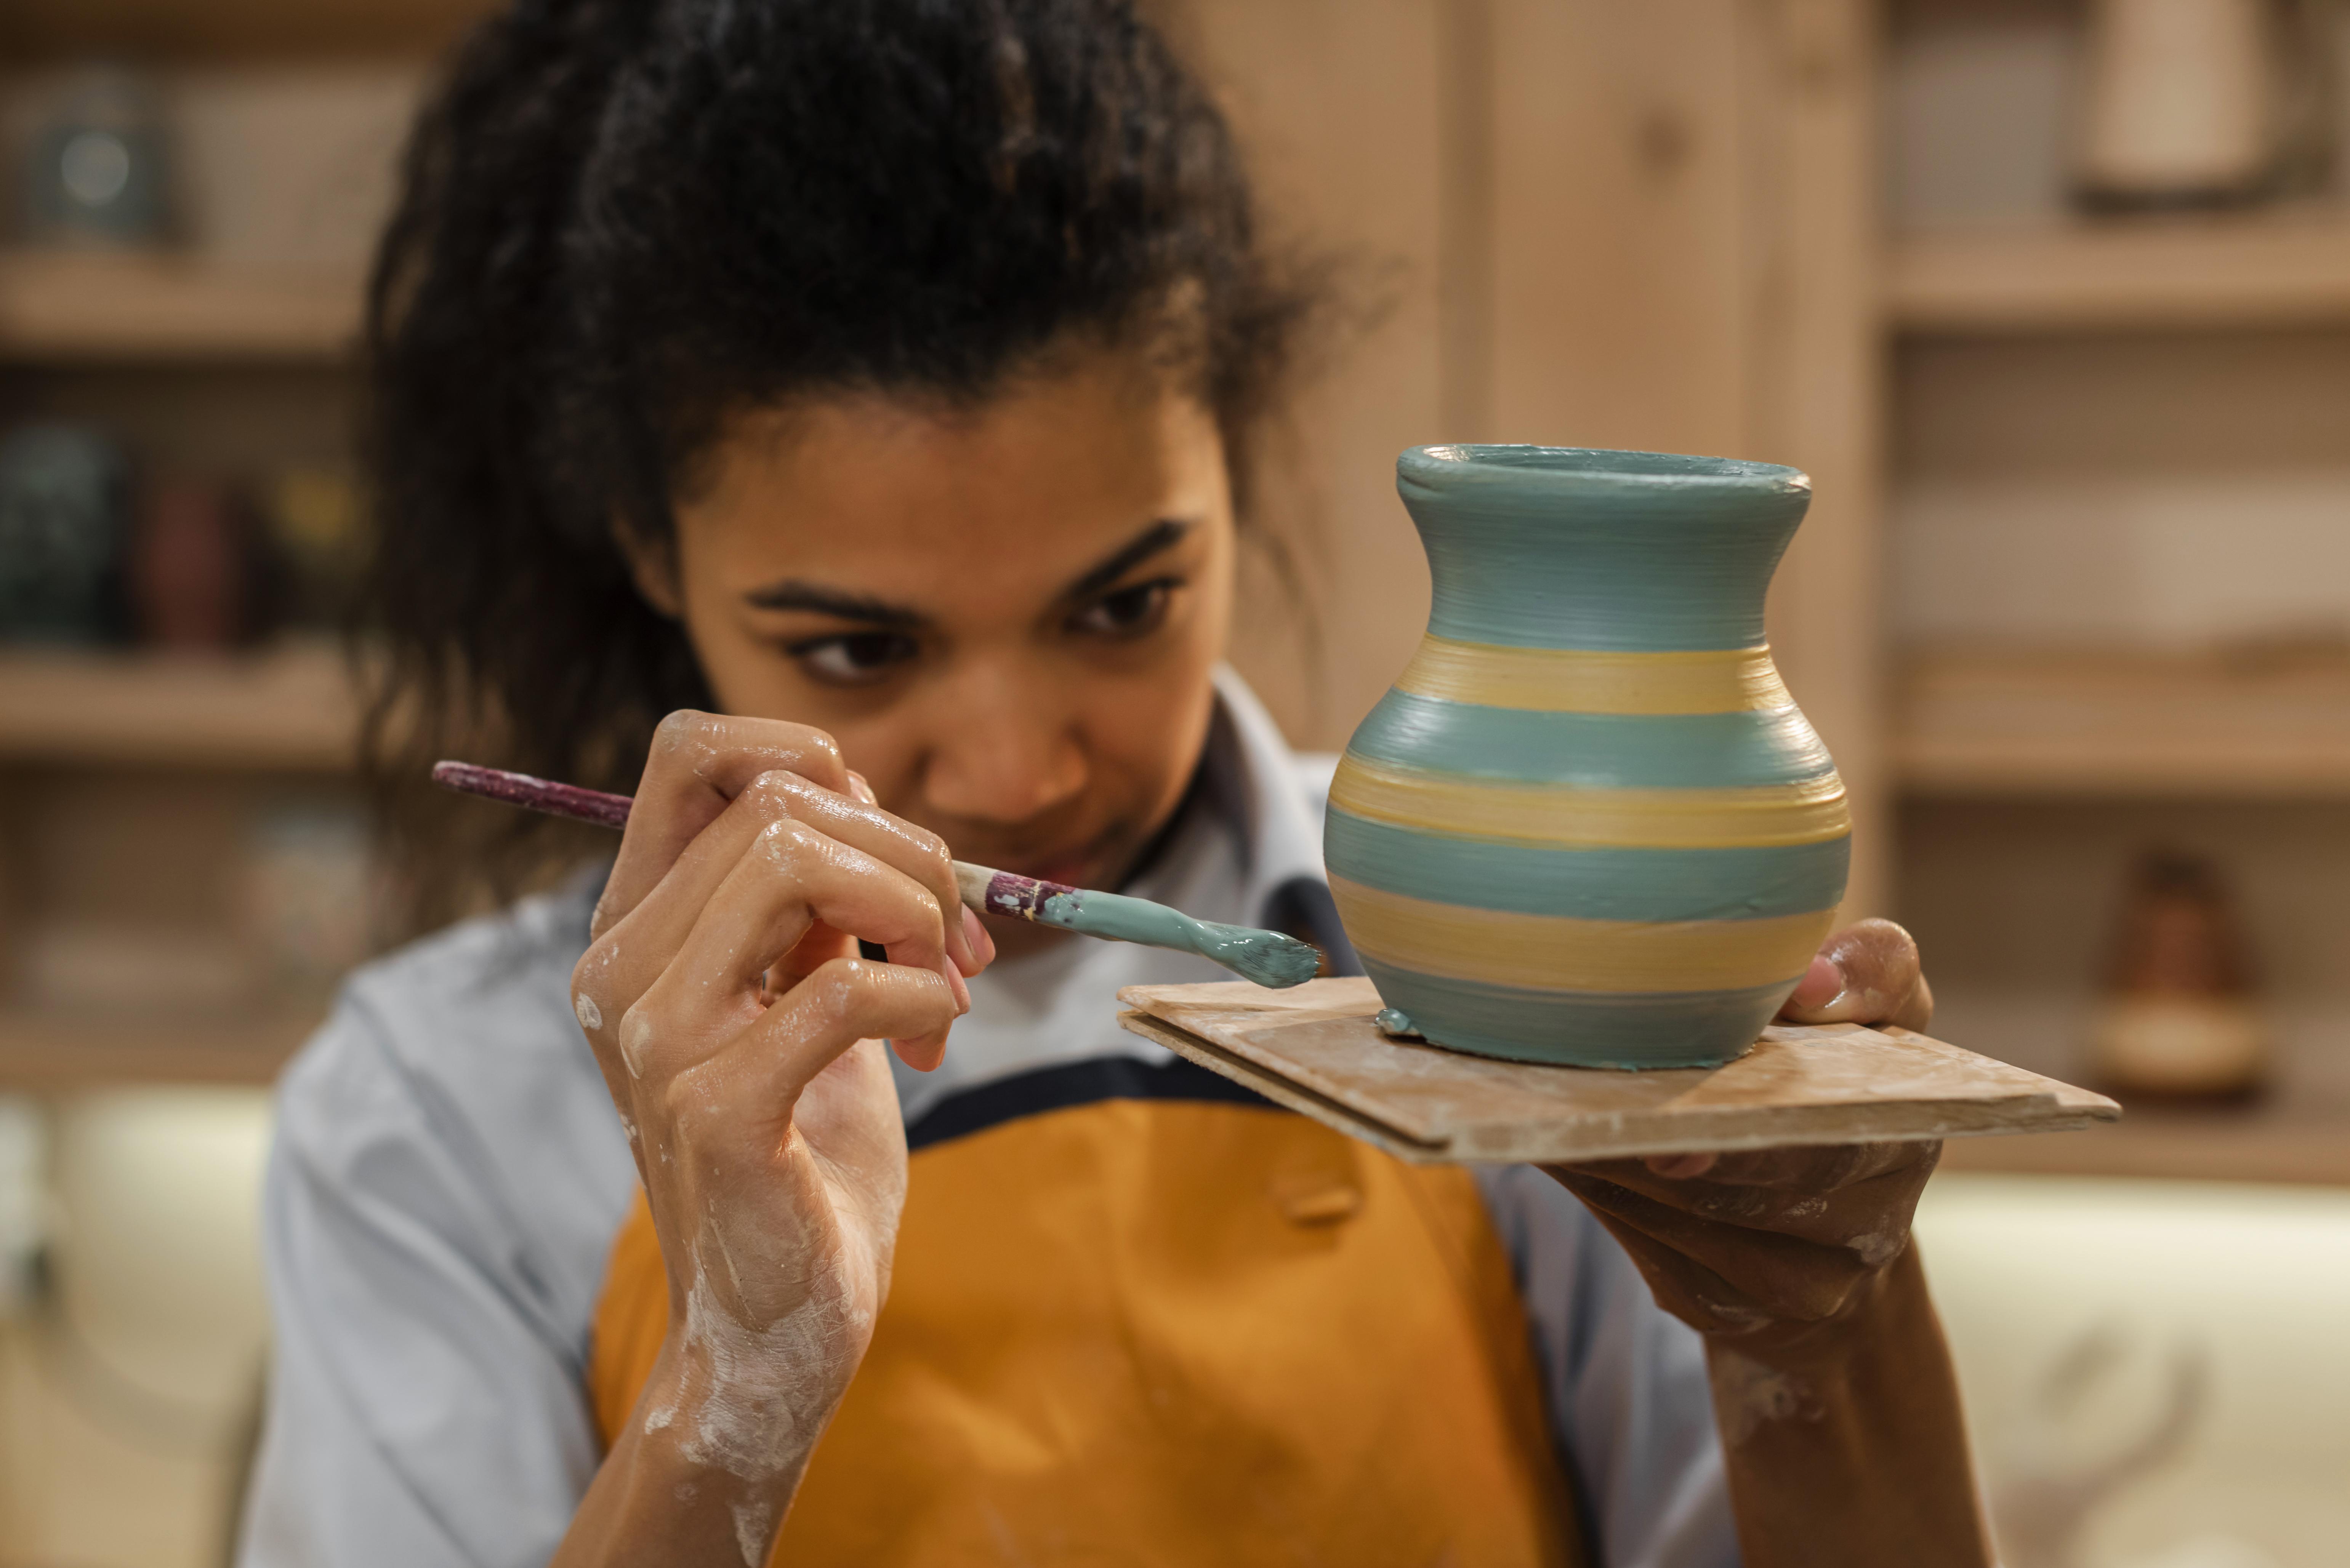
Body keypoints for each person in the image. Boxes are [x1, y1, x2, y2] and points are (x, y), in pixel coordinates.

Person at [239, 2, 1988, 1565]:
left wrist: (1830, 1338)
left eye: (1122, 606)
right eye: (858, 650)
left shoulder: (1498, 964)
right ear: (648, 549)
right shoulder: (432, 1118)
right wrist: (733, 1400)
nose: (1016, 768)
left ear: (1235, 463)